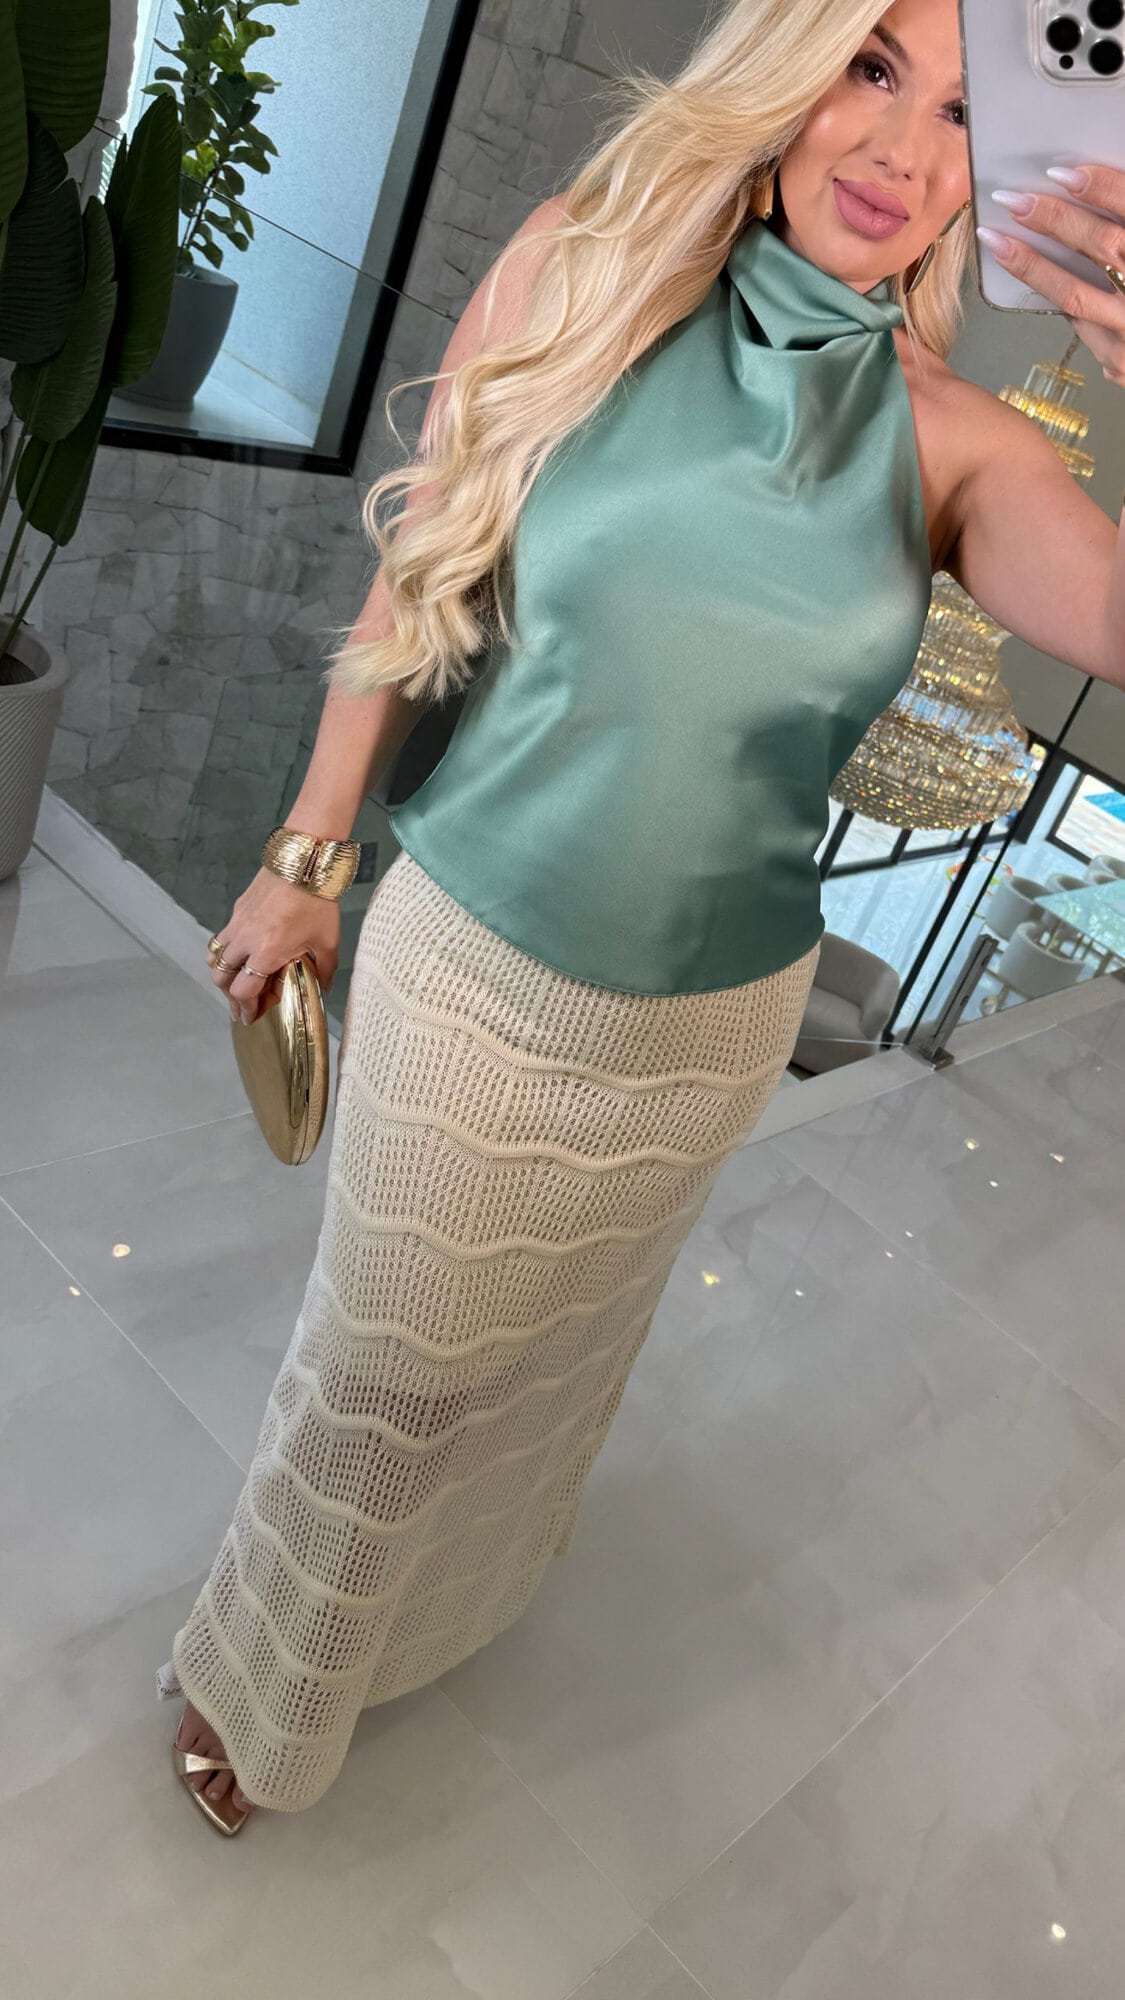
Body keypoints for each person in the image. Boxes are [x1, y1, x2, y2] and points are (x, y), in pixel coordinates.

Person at [162, 0, 1125, 1834]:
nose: (900, 151)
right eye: (871, 68)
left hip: (707, 1026)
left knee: (550, 1360)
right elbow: (422, 563)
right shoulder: (587, 269)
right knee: (380, 1371)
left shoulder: (956, 442)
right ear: (789, 62)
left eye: (960, 119)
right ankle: (266, 1675)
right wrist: (307, 854)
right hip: (470, 961)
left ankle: (449, 1611)